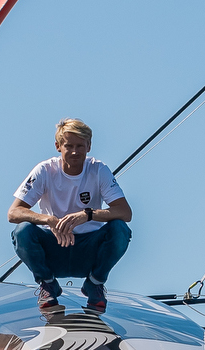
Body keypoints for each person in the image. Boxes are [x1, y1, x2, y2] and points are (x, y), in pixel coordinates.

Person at [8, 118, 132, 315]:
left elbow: (125, 212)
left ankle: (95, 283)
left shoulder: (99, 170)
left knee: (120, 229)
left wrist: (88, 215)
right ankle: (48, 284)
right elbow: (14, 212)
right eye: (69, 146)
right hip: (54, 246)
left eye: (80, 146)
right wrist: (49, 220)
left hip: (88, 250)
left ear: (89, 146)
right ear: (58, 146)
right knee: (22, 231)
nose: (75, 152)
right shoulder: (45, 170)